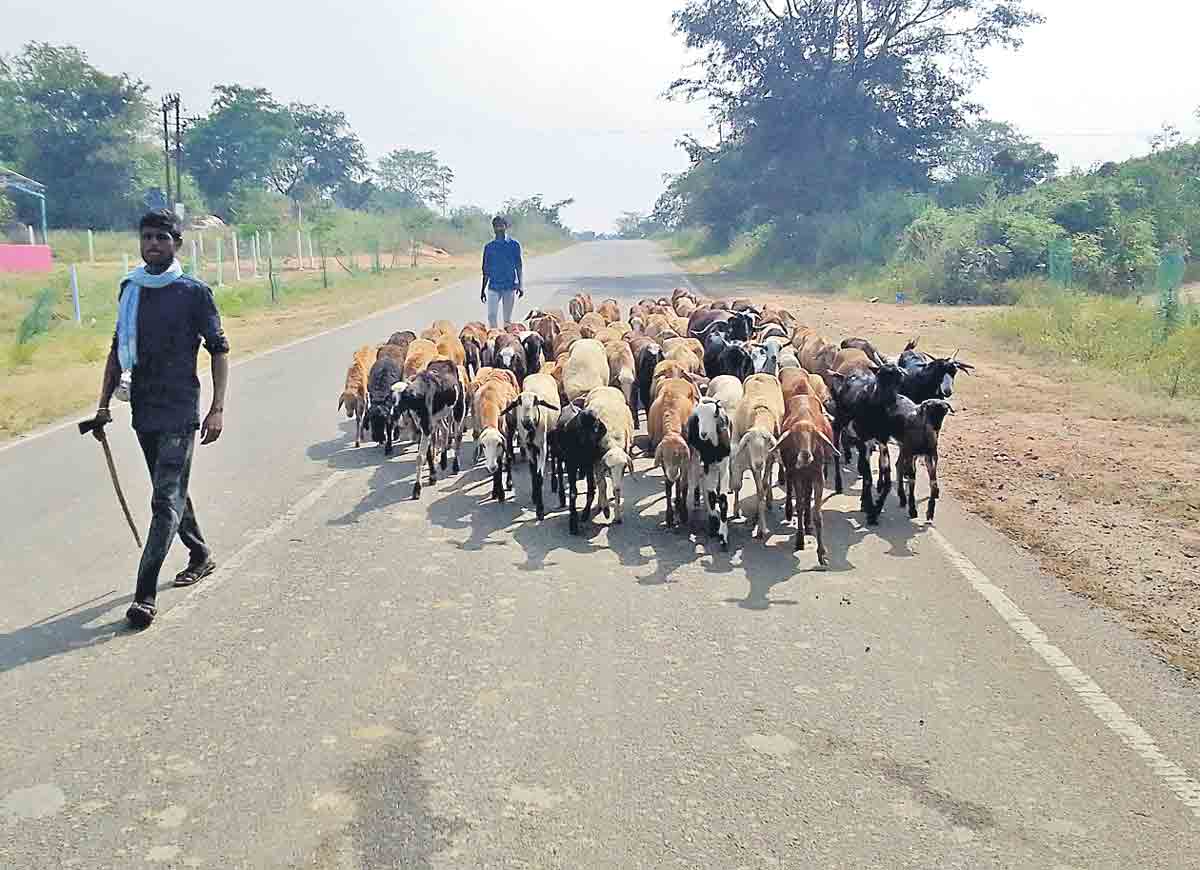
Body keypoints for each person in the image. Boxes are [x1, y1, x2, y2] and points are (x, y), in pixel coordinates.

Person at [92, 210, 230, 629]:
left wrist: (217, 408)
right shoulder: (131, 289)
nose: (153, 244)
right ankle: (201, 553)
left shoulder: (193, 293)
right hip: (143, 407)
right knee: (168, 492)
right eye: (147, 237)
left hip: (180, 408)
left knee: (162, 499)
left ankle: (144, 596)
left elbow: (219, 349)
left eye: (162, 238)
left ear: (177, 244)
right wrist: (102, 406)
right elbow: (118, 349)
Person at [480, 215, 523, 327]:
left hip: (509, 286)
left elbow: (518, 266)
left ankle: (506, 341)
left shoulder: (514, 245)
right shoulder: (489, 247)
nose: (499, 229)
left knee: (507, 320)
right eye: (496, 226)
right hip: (493, 286)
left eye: (501, 226)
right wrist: (482, 289)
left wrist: (520, 284)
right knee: (491, 316)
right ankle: (494, 339)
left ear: (506, 227)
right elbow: (485, 270)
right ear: (493, 228)